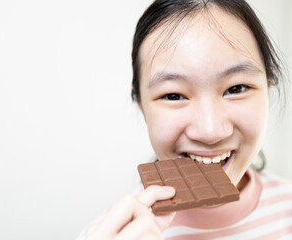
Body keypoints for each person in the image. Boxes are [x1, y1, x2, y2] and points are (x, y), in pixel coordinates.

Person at [78, 0, 292, 239]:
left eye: (236, 88)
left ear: (268, 86)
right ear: (140, 104)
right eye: (173, 95)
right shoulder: (109, 234)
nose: (210, 132)